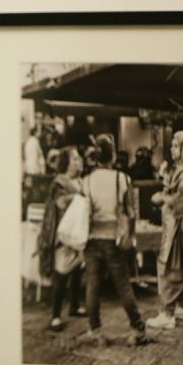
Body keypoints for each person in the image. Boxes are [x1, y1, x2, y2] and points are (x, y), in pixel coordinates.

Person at [77, 135, 148, 346]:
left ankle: (95, 331)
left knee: (92, 286)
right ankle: (137, 329)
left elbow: (83, 212)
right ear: (113, 154)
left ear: (96, 157)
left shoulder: (86, 181)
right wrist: (131, 235)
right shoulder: (122, 178)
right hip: (113, 239)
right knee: (123, 285)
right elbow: (131, 213)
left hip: (91, 238)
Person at [146, 131, 183, 330]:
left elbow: (181, 203)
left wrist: (162, 198)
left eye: (175, 146)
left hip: (178, 228)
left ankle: (167, 313)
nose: (171, 149)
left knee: (172, 266)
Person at [38, 147, 86, 331]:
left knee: (76, 271)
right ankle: (55, 316)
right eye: (75, 158)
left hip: (77, 234)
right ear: (66, 162)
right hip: (62, 234)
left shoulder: (81, 181)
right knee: (61, 272)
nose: (79, 160)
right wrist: (77, 197)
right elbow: (59, 203)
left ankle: (74, 306)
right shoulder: (59, 183)